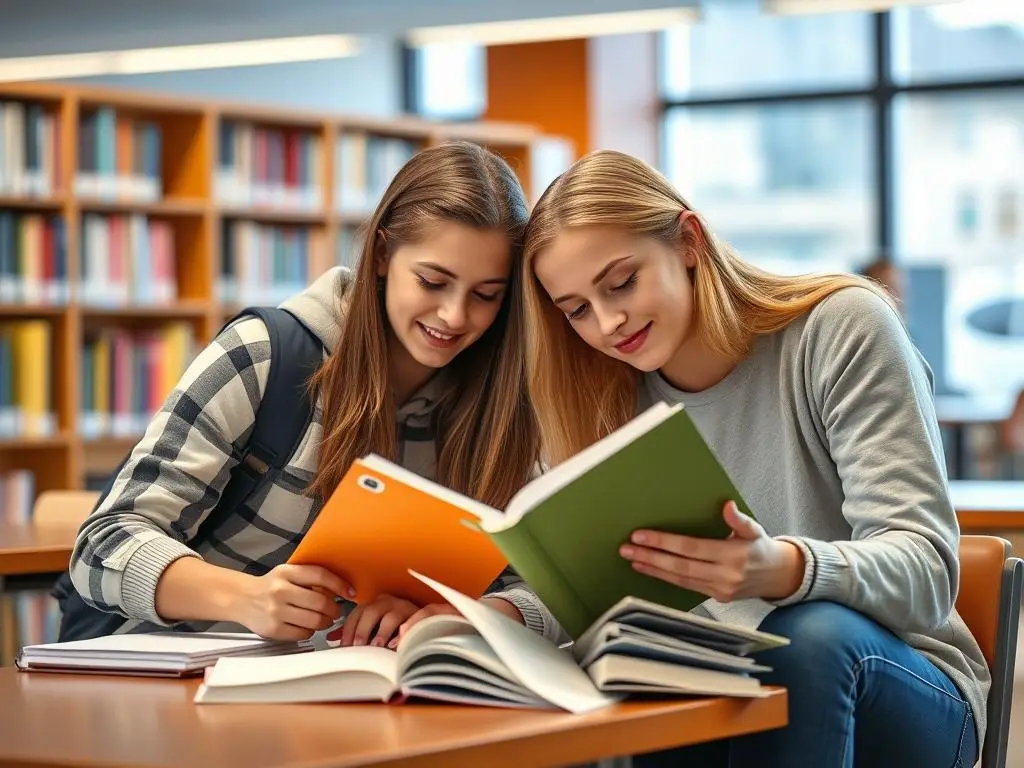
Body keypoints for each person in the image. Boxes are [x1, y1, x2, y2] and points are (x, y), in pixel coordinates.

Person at [518, 149, 988, 767]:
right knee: (635, 671)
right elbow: (591, 593)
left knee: (807, 639)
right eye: (577, 310)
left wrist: (783, 569)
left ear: (689, 241)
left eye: (622, 282)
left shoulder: (840, 328)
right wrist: (506, 613)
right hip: (724, 690)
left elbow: (925, 574)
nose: (608, 323)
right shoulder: (601, 399)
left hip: (896, 686)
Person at [68, 141, 558, 650]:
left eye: (485, 295)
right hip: (182, 677)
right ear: (384, 253)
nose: (455, 316)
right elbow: (101, 547)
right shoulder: (261, 356)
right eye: (433, 282)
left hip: (358, 692)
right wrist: (245, 598)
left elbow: (554, 589)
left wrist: (467, 611)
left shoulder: (504, 405)